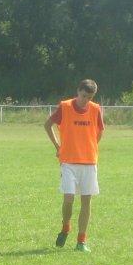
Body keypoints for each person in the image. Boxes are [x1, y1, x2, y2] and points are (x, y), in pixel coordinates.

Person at [43, 79, 104, 253]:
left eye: (89, 97)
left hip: (89, 162)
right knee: (68, 199)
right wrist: (58, 146)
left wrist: (90, 147)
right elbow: (48, 125)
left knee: (86, 201)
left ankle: (81, 241)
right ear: (78, 91)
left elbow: (100, 131)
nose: (86, 100)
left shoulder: (96, 109)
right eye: (83, 96)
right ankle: (66, 226)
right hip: (68, 161)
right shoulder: (65, 107)